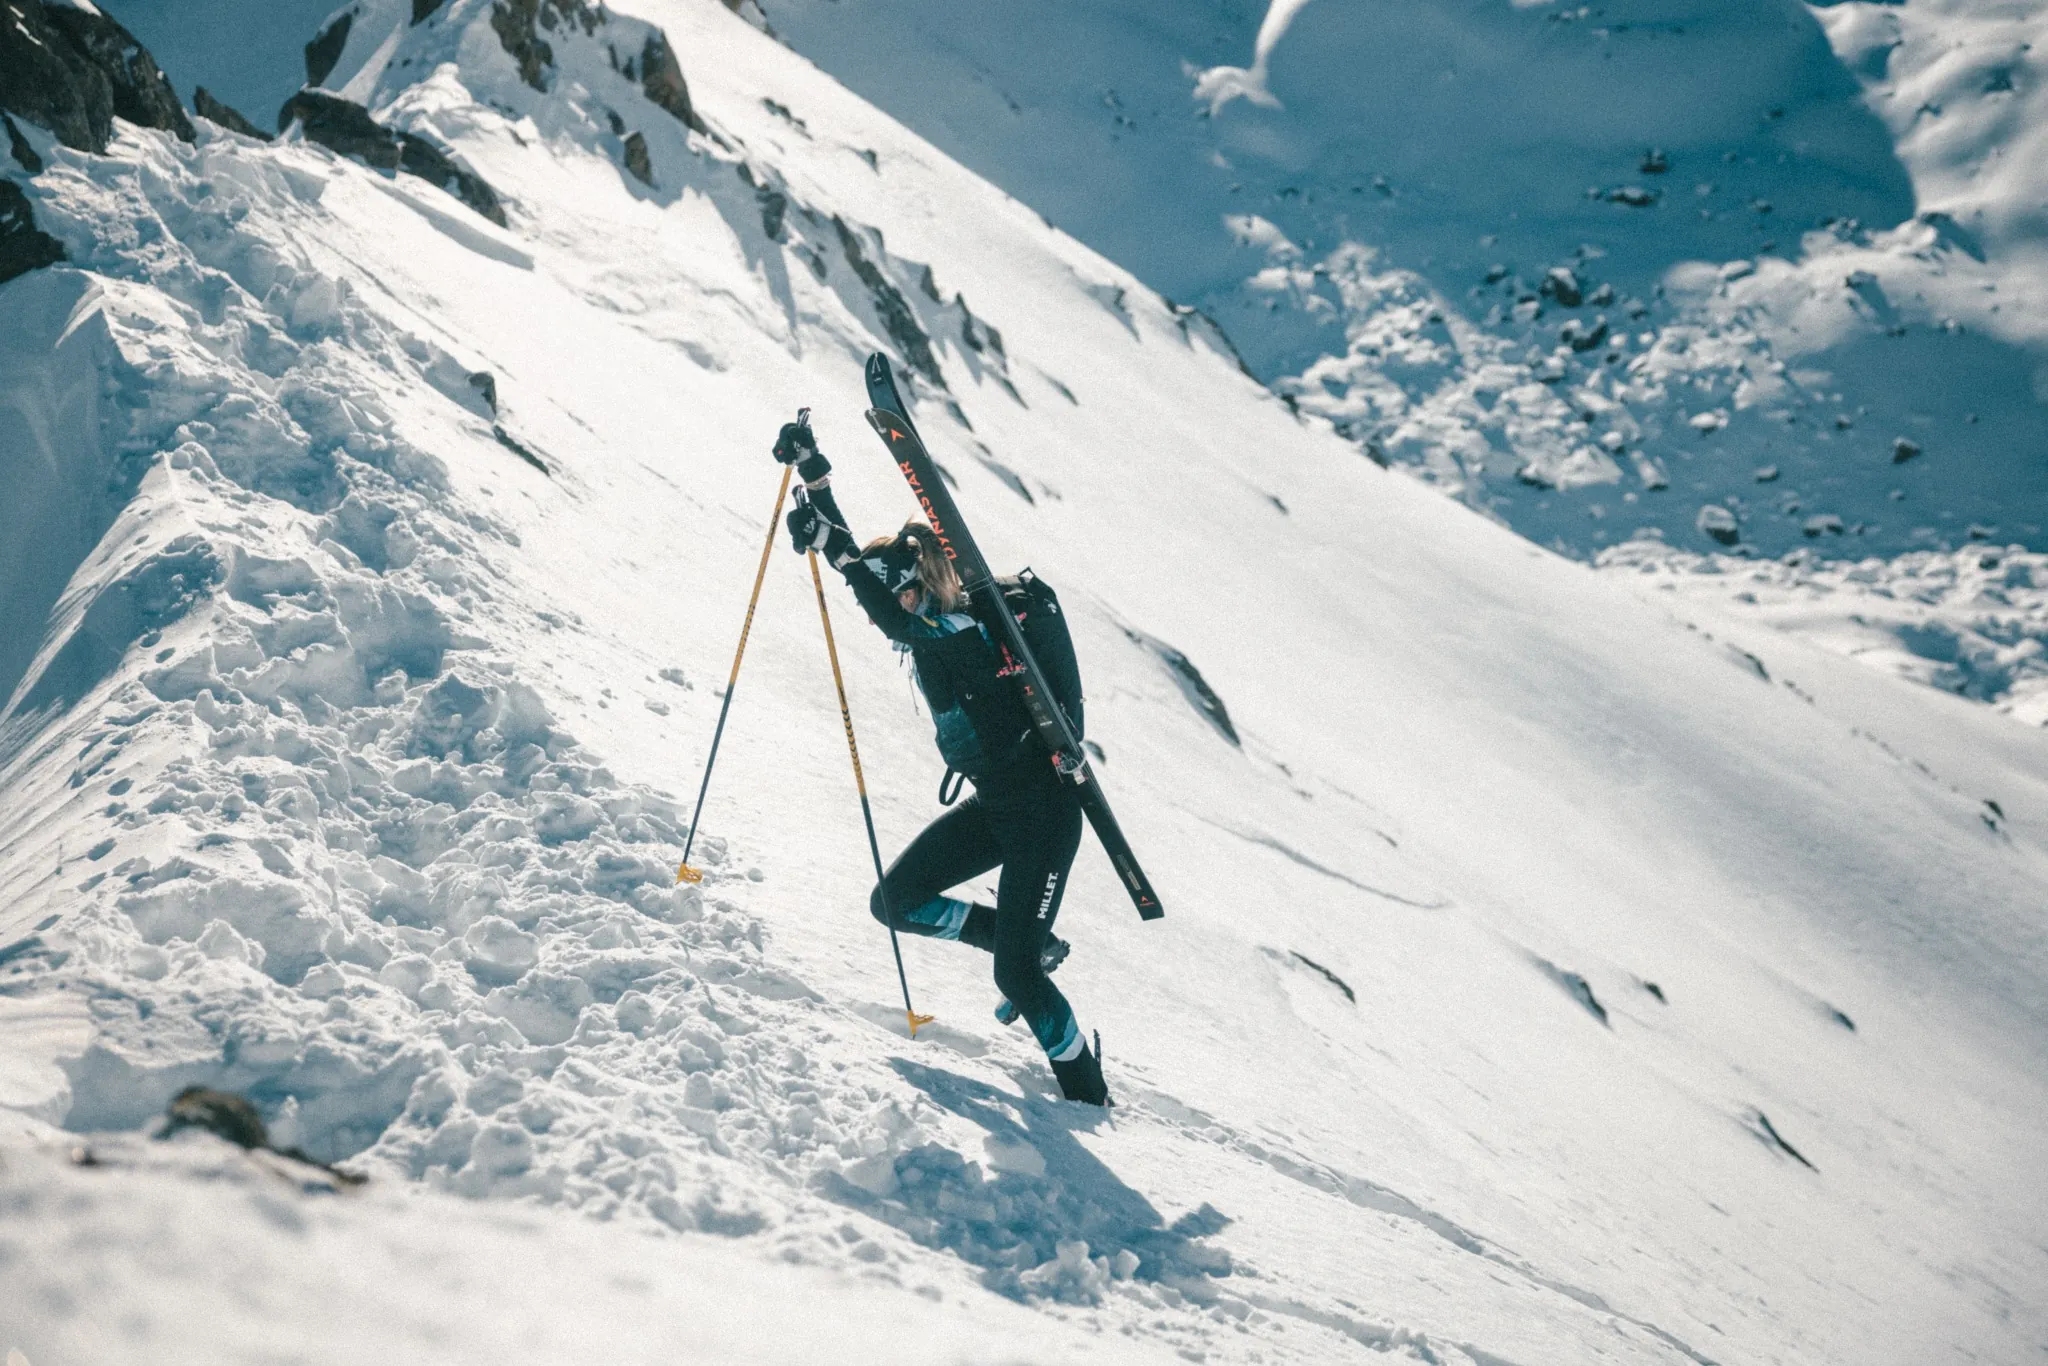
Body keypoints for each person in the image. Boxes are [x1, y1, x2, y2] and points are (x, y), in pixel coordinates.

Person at [774, 417, 1109, 1106]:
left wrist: (834, 552)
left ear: (921, 587)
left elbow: (890, 613)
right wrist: (816, 477)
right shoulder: (930, 625)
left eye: (900, 593)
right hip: (995, 808)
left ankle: (1087, 1091)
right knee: (895, 902)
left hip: (1045, 820)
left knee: (1016, 981)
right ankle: (1010, 937)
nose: (893, 609)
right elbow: (876, 588)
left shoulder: (962, 632)